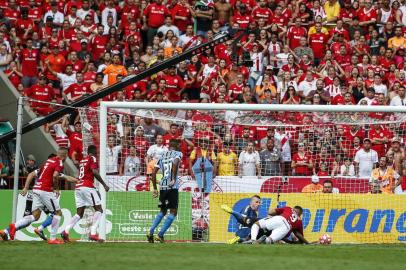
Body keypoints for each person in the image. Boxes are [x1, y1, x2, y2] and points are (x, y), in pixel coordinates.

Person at [0, 148, 78, 244]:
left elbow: (32, 174)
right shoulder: (59, 163)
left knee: (35, 216)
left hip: (36, 190)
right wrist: (56, 188)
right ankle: (52, 238)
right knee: (57, 213)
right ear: (65, 155)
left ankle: (10, 229)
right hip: (45, 191)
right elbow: (56, 176)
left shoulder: (47, 162)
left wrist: (25, 187)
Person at [61, 145, 110, 242]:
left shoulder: (83, 160)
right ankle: (93, 233)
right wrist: (104, 184)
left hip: (78, 187)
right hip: (87, 187)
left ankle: (65, 231)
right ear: (94, 151)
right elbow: (95, 172)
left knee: (79, 213)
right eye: (97, 152)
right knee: (99, 209)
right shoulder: (93, 158)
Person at [147, 139, 183, 243]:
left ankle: (150, 232)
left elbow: (153, 173)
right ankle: (160, 235)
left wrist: (154, 188)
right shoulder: (178, 153)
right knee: (173, 211)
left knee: (162, 211)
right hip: (172, 186)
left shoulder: (162, 155)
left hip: (162, 186)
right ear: (177, 146)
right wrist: (173, 179)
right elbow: (175, 163)